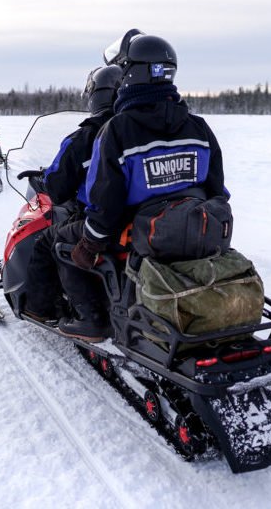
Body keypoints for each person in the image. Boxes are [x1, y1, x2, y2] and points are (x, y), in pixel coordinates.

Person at [56, 29, 228, 342]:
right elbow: (218, 190)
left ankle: (92, 320)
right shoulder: (199, 127)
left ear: (130, 75)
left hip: (137, 236)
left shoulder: (118, 130)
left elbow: (103, 202)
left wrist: (89, 246)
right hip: (193, 231)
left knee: (62, 242)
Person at [21, 66, 122, 323]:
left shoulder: (85, 137)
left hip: (99, 220)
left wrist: (45, 180)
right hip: (137, 217)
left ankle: (41, 307)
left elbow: (57, 188)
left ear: (96, 96)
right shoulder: (134, 129)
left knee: (48, 242)